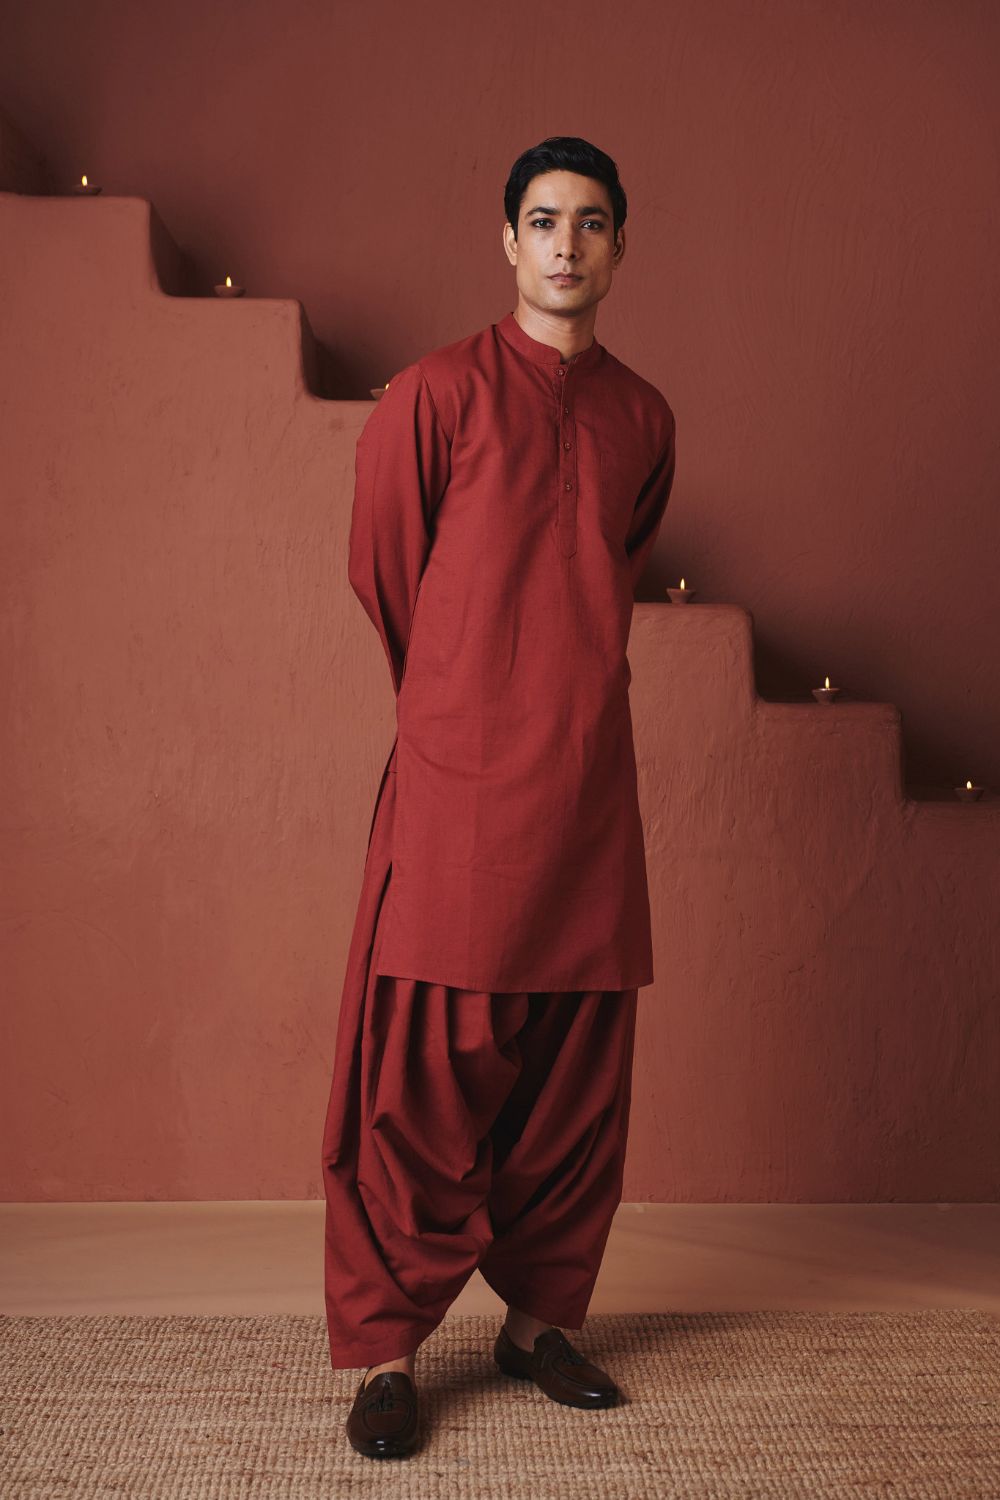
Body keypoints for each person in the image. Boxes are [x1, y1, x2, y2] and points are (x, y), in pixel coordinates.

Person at [321, 134, 677, 1460]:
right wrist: (462, 706)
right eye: (543, 220)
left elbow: (611, 573)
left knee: (576, 1077)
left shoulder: (644, 417)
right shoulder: (435, 394)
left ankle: (537, 1326)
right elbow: (384, 567)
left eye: (590, 222)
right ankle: (388, 1354)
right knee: (420, 1074)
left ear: (619, 246)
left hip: (589, 786)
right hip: (460, 783)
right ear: (508, 241)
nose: (565, 244)